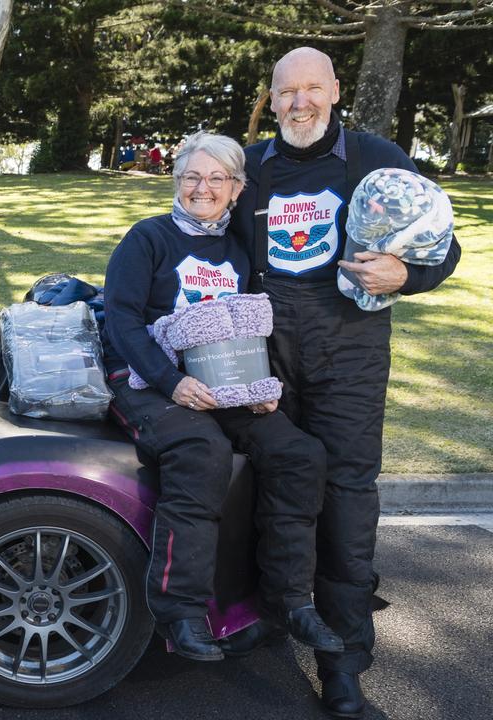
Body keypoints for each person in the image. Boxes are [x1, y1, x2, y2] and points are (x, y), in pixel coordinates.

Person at [228, 47, 462, 718]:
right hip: (267, 350)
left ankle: (344, 663)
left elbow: (443, 245)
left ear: (334, 91)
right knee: (269, 483)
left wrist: (407, 276)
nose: (299, 102)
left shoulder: (376, 157)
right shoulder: (253, 168)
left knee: (347, 499)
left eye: (311, 88)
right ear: (271, 101)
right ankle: (275, 613)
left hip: (351, 353)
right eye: (285, 92)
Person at [103, 131, 343, 663]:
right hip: (148, 381)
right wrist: (171, 382)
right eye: (191, 176)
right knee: (201, 451)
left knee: (299, 454)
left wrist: (259, 386)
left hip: (224, 382)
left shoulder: (239, 250)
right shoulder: (147, 239)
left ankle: (288, 600)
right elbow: (120, 321)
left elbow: (248, 327)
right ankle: (182, 612)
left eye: (216, 178)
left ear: (236, 188)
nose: (202, 188)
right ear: (176, 181)